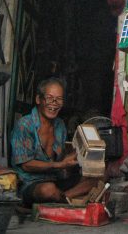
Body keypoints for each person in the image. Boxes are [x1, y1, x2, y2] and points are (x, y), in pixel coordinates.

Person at [10, 77, 96, 205]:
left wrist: (77, 156)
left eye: (59, 99)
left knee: (98, 178)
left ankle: (63, 197)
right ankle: (63, 199)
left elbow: (60, 161)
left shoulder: (60, 125)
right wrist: (60, 165)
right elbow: (26, 165)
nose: (54, 103)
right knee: (48, 190)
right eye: (49, 98)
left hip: (55, 180)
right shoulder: (24, 125)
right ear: (39, 99)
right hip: (29, 183)